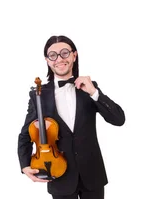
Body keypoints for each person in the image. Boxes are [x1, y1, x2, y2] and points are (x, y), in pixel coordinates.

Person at [17, 35, 125, 199]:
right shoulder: (39, 94)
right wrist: (24, 165)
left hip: (93, 174)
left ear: (74, 55)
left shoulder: (89, 87)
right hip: (57, 172)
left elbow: (118, 119)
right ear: (47, 60)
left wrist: (94, 93)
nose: (59, 59)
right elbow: (26, 134)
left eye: (65, 53)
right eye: (53, 55)